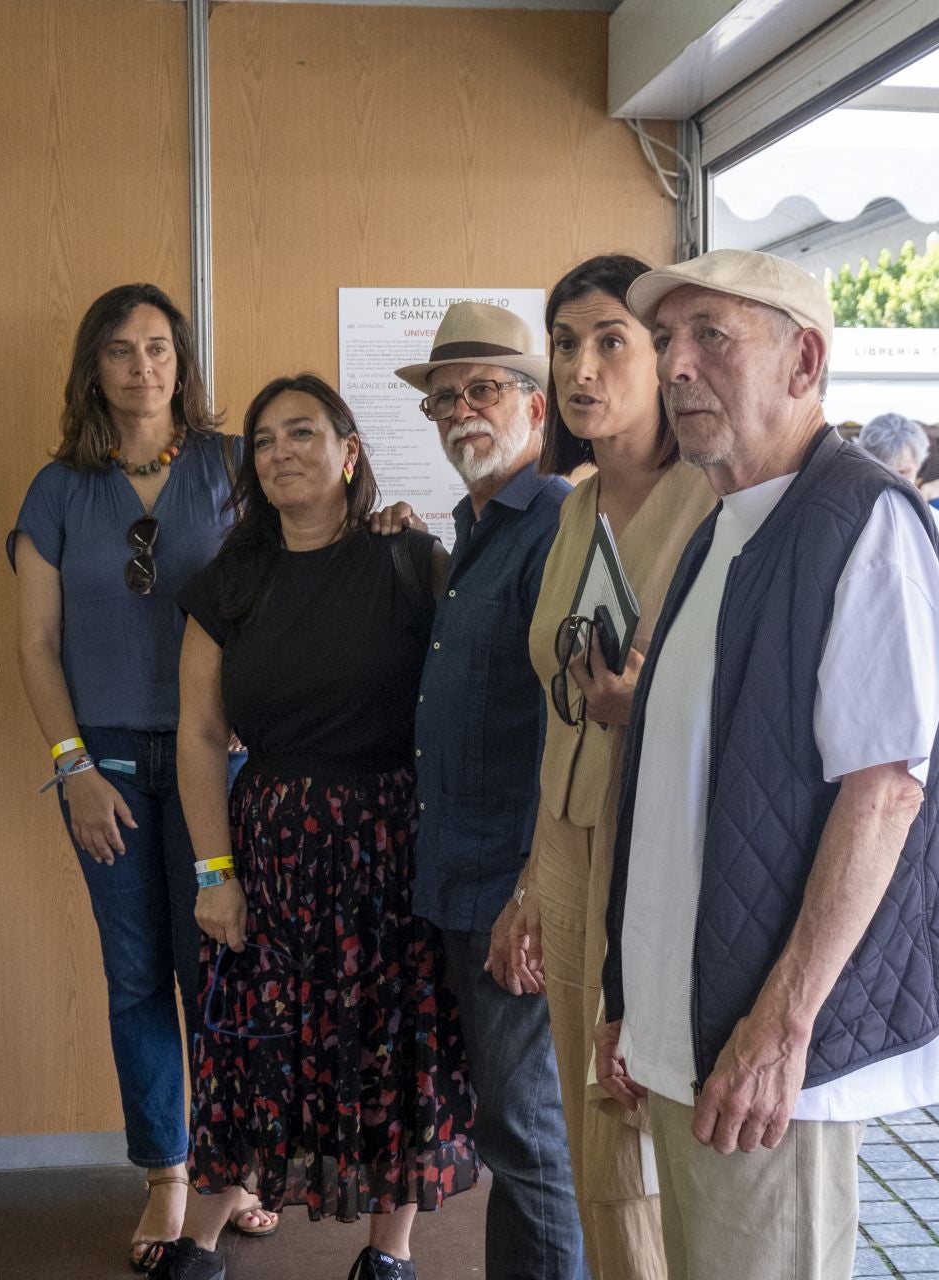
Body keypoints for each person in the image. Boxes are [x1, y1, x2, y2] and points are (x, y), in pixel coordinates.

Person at [597, 248, 939, 1279]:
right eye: (666, 343)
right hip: (699, 1026)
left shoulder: (861, 520)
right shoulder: (723, 526)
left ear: (805, 358)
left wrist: (781, 1029)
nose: (676, 366)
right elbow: (681, 785)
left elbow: (885, 792)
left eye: (710, 339)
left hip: (771, 1053)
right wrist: (633, 998)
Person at [170, 374, 478, 1280]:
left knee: (395, 1050)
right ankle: (199, 1243)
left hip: (392, 848)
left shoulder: (412, 562)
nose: (280, 453)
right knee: (249, 1052)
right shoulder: (229, 581)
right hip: (268, 854)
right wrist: (212, 873)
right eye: (263, 441)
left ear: (350, 451)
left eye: (302, 432)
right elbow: (197, 732)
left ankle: (389, 1253)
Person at [8, 283, 275, 1272]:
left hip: (223, 757)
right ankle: (166, 1169)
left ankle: (231, 1166)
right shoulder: (57, 488)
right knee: (138, 977)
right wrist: (71, 767)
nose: (143, 367)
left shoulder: (234, 464)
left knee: (222, 966)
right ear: (94, 368)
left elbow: (298, 576)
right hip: (110, 762)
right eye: (120, 350)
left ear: (182, 359)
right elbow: (36, 642)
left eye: (159, 347)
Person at [491, 255, 719, 1280]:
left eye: (609, 340)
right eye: (567, 344)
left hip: (672, 855)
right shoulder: (573, 507)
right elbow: (560, 713)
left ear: (663, 354)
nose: (582, 367)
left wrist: (652, 708)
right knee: (593, 1134)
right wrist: (535, 880)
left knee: (646, 1130)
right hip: (576, 844)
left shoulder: (715, 504)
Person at [381, 302, 588, 1280]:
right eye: (444, 396)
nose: (462, 409)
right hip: (463, 884)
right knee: (514, 1137)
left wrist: (532, 894)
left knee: (533, 1141)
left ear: (537, 407)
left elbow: (579, 729)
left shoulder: (555, 526)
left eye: (485, 389)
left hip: (514, 893)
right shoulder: (471, 532)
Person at [858, 415, 939, 635]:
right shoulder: (844, 523)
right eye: (882, 470)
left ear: (919, 465)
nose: (893, 480)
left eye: (904, 471)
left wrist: (919, 581)